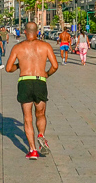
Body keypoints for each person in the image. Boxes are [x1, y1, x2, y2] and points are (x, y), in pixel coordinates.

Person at [5, 21, 58, 160]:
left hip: (25, 82)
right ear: (37, 32)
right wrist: (46, 74)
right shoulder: (45, 46)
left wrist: (19, 65)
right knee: (40, 113)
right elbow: (55, 66)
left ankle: (33, 150)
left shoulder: (18, 47)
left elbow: (8, 68)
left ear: (24, 32)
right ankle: (41, 135)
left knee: (27, 117)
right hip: (40, 81)